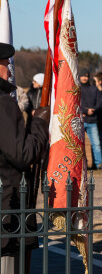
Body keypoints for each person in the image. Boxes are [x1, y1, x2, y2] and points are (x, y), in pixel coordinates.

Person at [0, 43, 49, 273]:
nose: (9, 69)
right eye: (5, 64)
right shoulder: (2, 103)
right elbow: (22, 154)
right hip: (7, 209)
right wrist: (39, 124)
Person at [80, 71, 102, 169]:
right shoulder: (77, 88)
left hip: (92, 121)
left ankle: (98, 164)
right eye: (83, 76)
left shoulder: (94, 89)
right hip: (80, 120)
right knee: (79, 145)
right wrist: (85, 110)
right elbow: (74, 102)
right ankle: (82, 164)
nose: (84, 78)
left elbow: (100, 102)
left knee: (96, 144)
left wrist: (92, 111)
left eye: (86, 76)